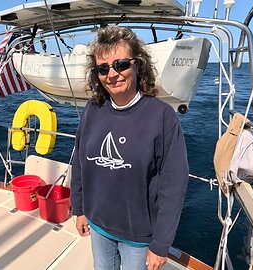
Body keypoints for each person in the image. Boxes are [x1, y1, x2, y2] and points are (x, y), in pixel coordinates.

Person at [71, 26, 189, 270]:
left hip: (138, 235)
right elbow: (80, 163)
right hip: (98, 224)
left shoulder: (162, 116)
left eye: (121, 64)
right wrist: (79, 209)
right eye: (103, 68)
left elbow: (174, 185)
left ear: (137, 65)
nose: (112, 74)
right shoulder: (92, 111)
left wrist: (160, 244)